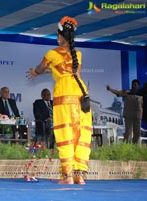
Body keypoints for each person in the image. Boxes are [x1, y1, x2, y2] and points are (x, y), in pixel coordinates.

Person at [26, 16, 92, 185]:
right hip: (81, 93)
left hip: (64, 93)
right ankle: (80, 175)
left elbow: (41, 68)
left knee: (66, 133)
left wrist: (35, 71)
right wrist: (47, 72)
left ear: (59, 35)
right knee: (81, 133)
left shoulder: (52, 53)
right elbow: (72, 73)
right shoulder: (78, 54)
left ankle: (68, 176)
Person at [107, 79, 143, 143]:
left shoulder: (141, 93)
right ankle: (127, 147)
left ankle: (134, 147)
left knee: (137, 133)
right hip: (128, 115)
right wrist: (110, 89)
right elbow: (117, 92)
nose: (134, 86)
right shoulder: (126, 92)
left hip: (137, 115)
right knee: (128, 132)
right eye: (133, 84)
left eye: (135, 84)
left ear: (138, 86)